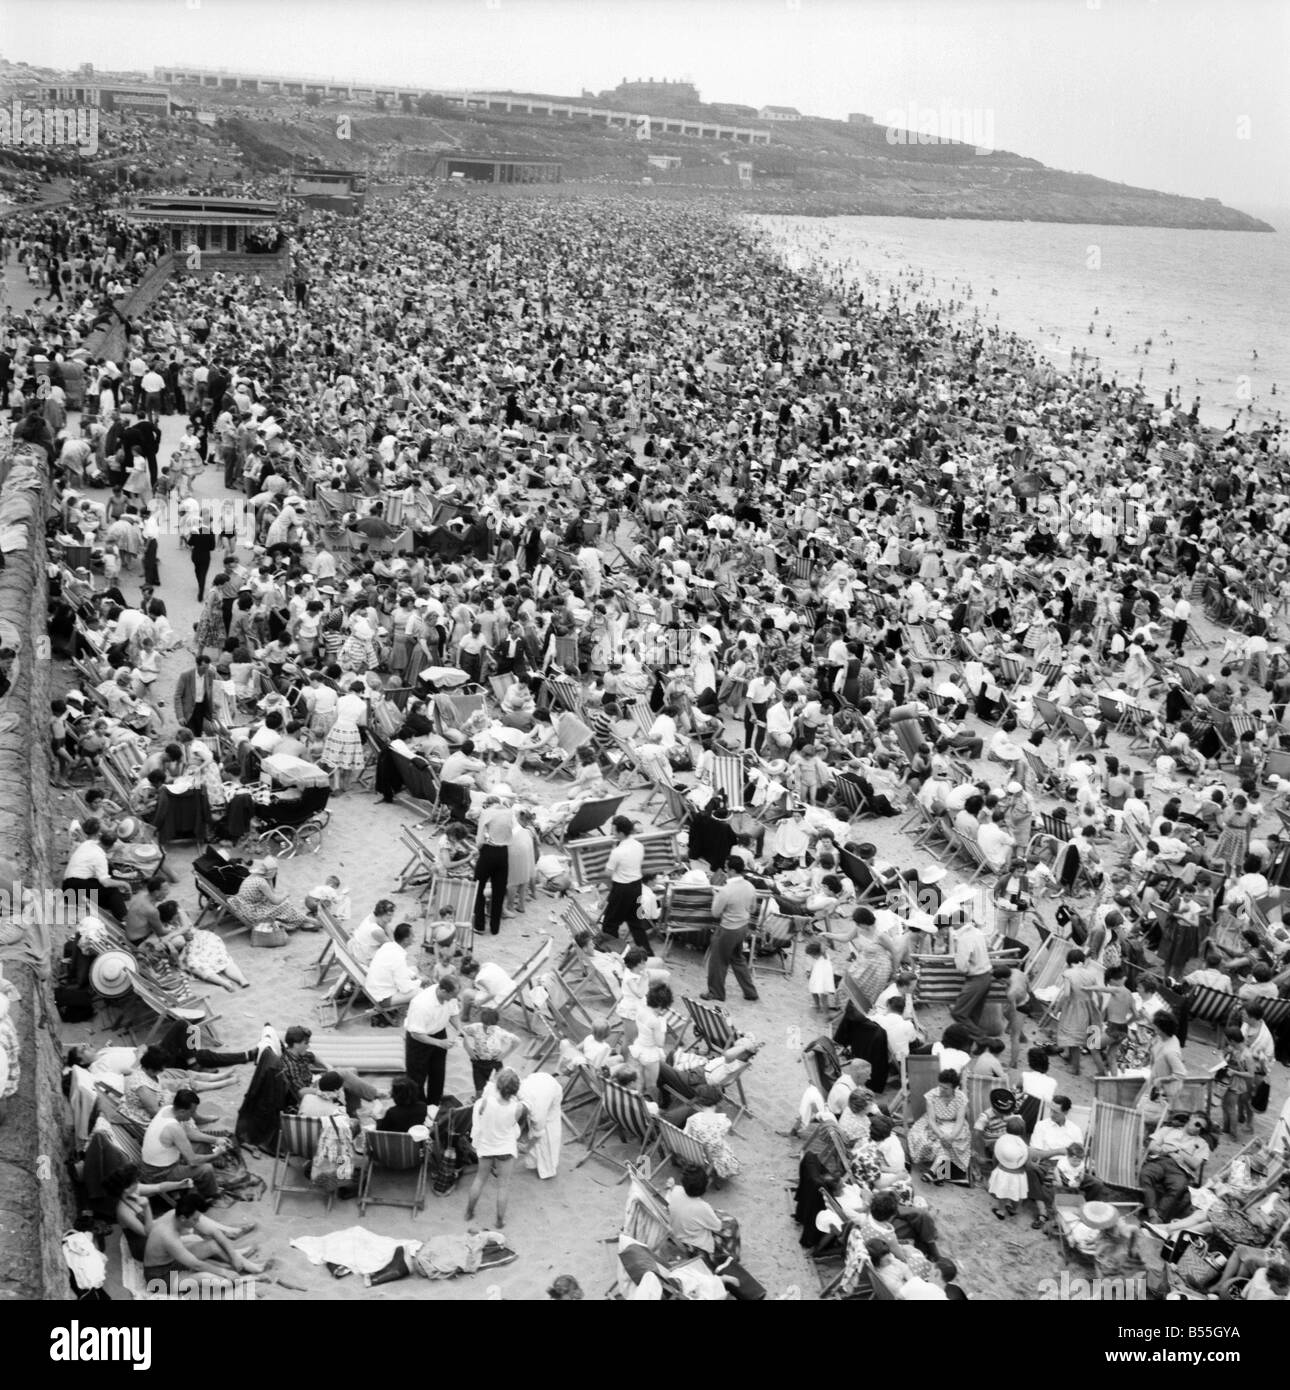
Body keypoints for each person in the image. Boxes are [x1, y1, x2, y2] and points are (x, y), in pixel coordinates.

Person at [142, 1192, 269, 1295]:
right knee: (206, 1277)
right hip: (158, 1277)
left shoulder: (177, 1215)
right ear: (183, 1218)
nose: (197, 1222)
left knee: (212, 1245)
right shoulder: (168, 1236)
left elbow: (215, 1233)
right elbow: (197, 1265)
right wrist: (224, 1272)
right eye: (195, 1219)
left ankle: (253, 1267)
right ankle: (249, 1279)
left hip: (171, 1260)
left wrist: (234, 1256)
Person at [465, 1068, 528, 1229]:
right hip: (505, 1148)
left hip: (487, 1146)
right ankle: (499, 1220)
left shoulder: (485, 1102)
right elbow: (517, 1116)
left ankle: (469, 1211)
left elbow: (479, 1117)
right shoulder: (518, 1107)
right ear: (515, 1090)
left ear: (497, 1086)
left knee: (479, 1179)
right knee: (503, 1185)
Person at [138, 1089, 226, 1199]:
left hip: (155, 1164)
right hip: (160, 1174)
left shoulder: (167, 1109)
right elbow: (193, 1161)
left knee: (202, 1144)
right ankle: (212, 1194)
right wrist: (215, 1154)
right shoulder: (174, 1128)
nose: (193, 1115)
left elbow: (189, 1133)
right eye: (192, 1112)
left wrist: (216, 1140)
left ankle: (208, 1179)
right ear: (182, 1112)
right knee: (206, 1169)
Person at [1139, 1113, 1213, 1224]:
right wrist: (1166, 1151)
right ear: (1191, 1118)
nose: (1198, 1129)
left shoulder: (1202, 1144)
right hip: (1160, 1160)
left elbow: (1195, 1163)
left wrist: (1177, 1150)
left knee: (1178, 1187)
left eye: (1201, 1128)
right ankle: (1152, 1212)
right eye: (1197, 1124)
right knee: (1145, 1174)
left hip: (1180, 1170)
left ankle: (1158, 1218)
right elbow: (1151, 1146)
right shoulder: (1168, 1130)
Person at [703, 862, 759, 1003]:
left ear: (732, 870)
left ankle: (716, 993)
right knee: (737, 958)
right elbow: (752, 908)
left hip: (728, 929)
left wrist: (716, 897)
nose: (725, 870)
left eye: (727, 868)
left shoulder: (726, 890)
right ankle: (750, 992)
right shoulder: (750, 886)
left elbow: (715, 913)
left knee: (718, 961)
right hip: (743, 926)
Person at [907, 1069, 972, 1184]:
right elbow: (931, 1120)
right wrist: (942, 1136)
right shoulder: (932, 1095)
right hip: (935, 1123)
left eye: (946, 1088)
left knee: (954, 1140)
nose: (941, 1089)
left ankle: (935, 1172)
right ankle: (940, 1174)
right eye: (940, 1086)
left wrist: (952, 1136)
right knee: (936, 1140)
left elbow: (960, 1121)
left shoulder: (960, 1097)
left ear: (954, 1088)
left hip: (953, 1124)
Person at [404, 977, 461, 1105]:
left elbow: (453, 1013)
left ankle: (434, 1104)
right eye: (452, 995)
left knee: (438, 1073)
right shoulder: (420, 1004)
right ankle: (419, 1106)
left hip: (439, 1033)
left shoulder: (450, 997)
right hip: (419, 1040)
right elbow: (415, 1034)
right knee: (416, 1077)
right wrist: (439, 1043)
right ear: (442, 990)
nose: (454, 999)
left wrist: (459, 1028)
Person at [601, 815, 648, 951]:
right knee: (636, 922)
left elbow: (608, 874)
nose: (612, 833)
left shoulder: (617, 852)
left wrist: (610, 887)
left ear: (621, 833)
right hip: (637, 887)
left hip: (622, 889)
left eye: (614, 831)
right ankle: (646, 953)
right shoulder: (639, 845)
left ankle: (614, 953)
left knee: (610, 924)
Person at [473, 798, 514, 936]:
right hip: (503, 853)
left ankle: (479, 925)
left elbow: (479, 840)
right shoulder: (509, 812)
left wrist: (479, 847)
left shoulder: (487, 813)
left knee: (478, 887)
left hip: (489, 851)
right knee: (499, 890)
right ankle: (495, 927)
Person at [364, 921, 422, 1011]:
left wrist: (415, 976)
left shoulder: (388, 946)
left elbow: (398, 970)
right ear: (406, 940)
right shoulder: (398, 957)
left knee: (414, 970)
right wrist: (419, 981)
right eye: (412, 935)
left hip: (374, 989)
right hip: (382, 998)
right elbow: (405, 988)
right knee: (419, 991)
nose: (414, 937)